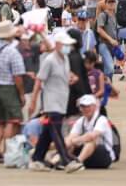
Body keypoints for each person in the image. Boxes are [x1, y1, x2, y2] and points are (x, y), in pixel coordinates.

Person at [29, 31, 78, 171]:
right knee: (56, 131)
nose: (68, 47)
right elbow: (39, 80)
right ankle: (66, 160)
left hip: (62, 100)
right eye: (65, 45)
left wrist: (71, 77)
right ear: (57, 45)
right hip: (51, 102)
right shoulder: (49, 60)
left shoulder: (65, 59)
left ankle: (37, 158)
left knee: (48, 132)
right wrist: (33, 101)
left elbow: (66, 74)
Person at [0, 20, 26, 164]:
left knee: (1, 121)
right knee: (12, 121)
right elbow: (17, 77)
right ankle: (6, 150)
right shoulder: (12, 51)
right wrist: (21, 95)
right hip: (9, 88)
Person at [64, 94, 115, 172]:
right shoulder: (81, 121)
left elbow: (92, 136)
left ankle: (78, 163)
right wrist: (65, 145)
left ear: (94, 107)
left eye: (88, 106)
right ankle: (62, 159)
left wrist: (75, 140)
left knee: (91, 140)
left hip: (104, 156)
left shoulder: (102, 119)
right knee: (70, 142)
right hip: (88, 155)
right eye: (83, 107)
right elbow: (71, 137)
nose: (85, 109)